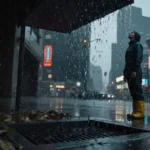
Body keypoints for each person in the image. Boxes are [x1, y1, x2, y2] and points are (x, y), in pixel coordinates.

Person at [123, 31, 144, 119]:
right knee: (133, 91)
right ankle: (135, 111)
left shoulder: (137, 45)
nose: (130, 33)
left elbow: (138, 58)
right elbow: (127, 62)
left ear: (135, 36)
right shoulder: (130, 46)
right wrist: (125, 73)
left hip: (135, 71)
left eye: (132, 32)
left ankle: (140, 112)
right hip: (129, 72)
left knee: (137, 90)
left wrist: (135, 70)